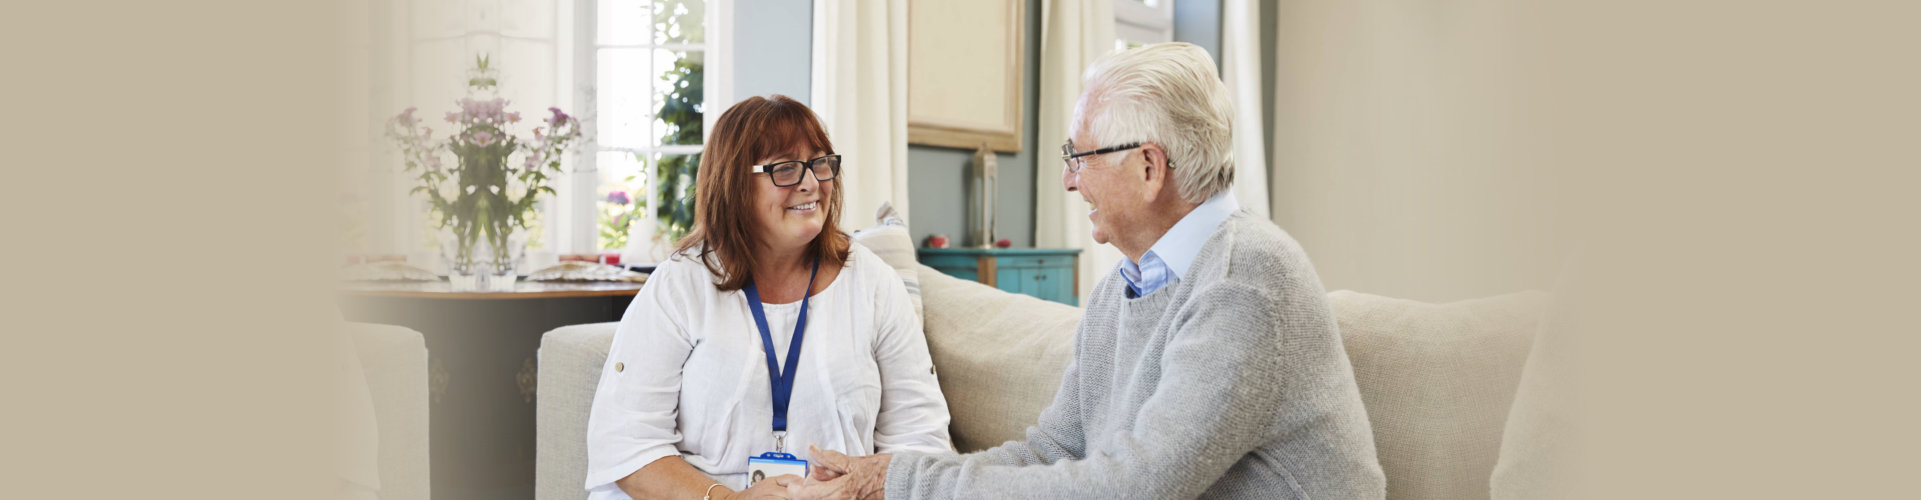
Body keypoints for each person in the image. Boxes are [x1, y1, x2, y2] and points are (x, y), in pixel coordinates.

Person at [790, 43, 1386, 500]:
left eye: (1080, 156)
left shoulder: (1247, 281)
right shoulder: (1123, 288)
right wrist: (896, 474)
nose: (1070, 179)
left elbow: (1136, 485)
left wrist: (899, 484)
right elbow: (1053, 449)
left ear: (1150, 167)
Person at [585, 95, 954, 500]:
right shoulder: (680, 284)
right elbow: (626, 442)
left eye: (820, 163)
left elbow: (920, 440)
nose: (811, 183)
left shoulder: (873, 283)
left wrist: (856, 489)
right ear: (734, 184)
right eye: (786, 168)